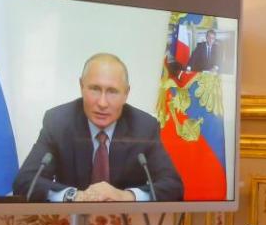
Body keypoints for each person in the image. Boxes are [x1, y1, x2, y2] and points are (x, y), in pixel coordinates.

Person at [13, 53, 183, 202]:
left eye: (112, 91)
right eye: (94, 89)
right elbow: (25, 181)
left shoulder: (144, 127)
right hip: (70, 224)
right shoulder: (58, 122)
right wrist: (74, 196)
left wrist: (126, 196)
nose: (102, 103)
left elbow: (173, 186)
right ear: (81, 86)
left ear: (126, 93)